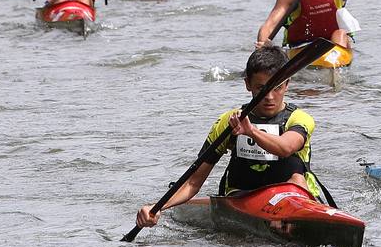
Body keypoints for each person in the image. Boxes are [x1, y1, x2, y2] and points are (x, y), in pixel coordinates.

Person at [133, 46, 331, 229]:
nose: (269, 97)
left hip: (296, 197)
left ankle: (294, 221)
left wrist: (251, 132)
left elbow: (286, 147)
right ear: (248, 85)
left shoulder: (299, 119)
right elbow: (193, 182)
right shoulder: (229, 121)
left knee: (297, 177)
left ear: (287, 84)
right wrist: (156, 208)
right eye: (261, 88)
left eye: (277, 87)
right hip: (243, 198)